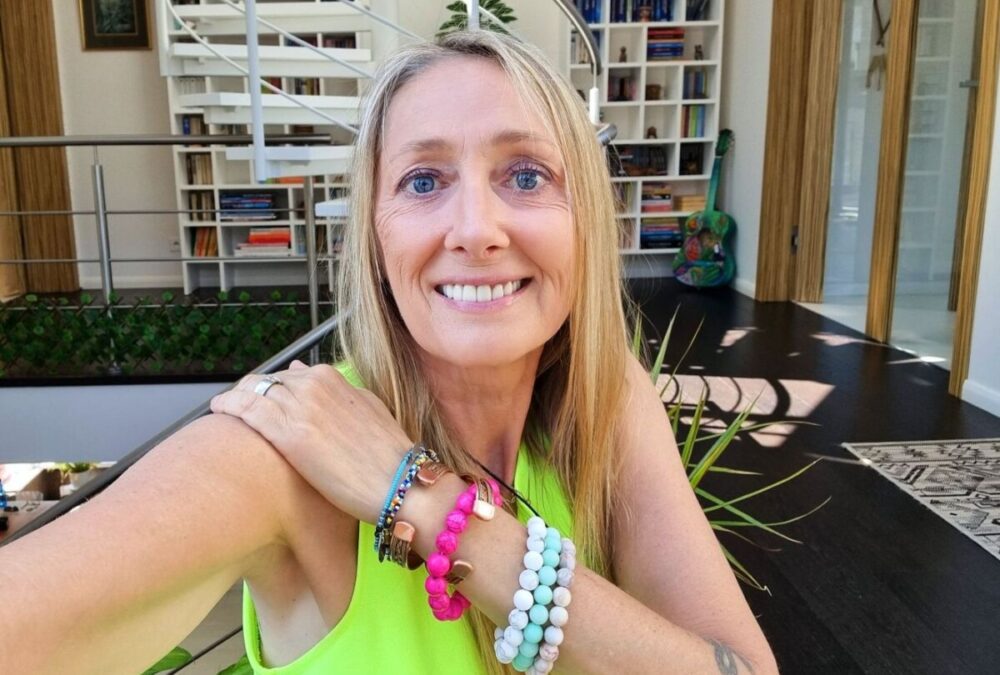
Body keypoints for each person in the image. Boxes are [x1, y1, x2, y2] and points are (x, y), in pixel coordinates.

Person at [0, 31, 776, 674]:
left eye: (526, 174)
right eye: (424, 181)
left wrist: (429, 505)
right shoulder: (283, 458)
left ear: (586, 221)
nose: (476, 229)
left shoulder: (607, 401)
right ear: (374, 235)